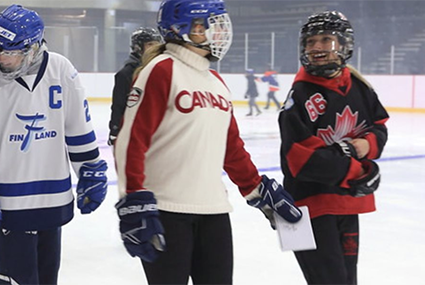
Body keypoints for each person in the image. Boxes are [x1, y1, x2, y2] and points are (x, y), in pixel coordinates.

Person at [112, 0, 302, 284]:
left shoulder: (215, 81)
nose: (218, 32)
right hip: (166, 210)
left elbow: (231, 147)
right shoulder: (162, 70)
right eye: (208, 25)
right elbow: (131, 140)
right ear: (182, 28)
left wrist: (256, 188)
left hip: (214, 212)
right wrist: (133, 199)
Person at [0, 4, 108, 285]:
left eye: (9, 51)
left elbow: (78, 126)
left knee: (47, 277)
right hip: (9, 202)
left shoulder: (61, 69)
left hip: (54, 197)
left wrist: (89, 169)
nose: (0, 57)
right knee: (16, 279)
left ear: (32, 48)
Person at [279, 11, 388, 285]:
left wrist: (365, 146)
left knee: (347, 280)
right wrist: (359, 171)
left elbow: (378, 127)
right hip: (305, 208)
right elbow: (301, 161)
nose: (316, 47)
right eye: (311, 41)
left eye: (325, 40)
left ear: (343, 44)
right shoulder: (299, 95)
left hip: (347, 203)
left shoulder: (359, 86)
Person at [108, 27, 163, 145]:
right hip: (136, 133)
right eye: (150, 44)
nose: (155, 48)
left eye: (157, 44)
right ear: (138, 47)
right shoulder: (126, 74)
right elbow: (119, 105)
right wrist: (115, 130)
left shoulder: (161, 69)